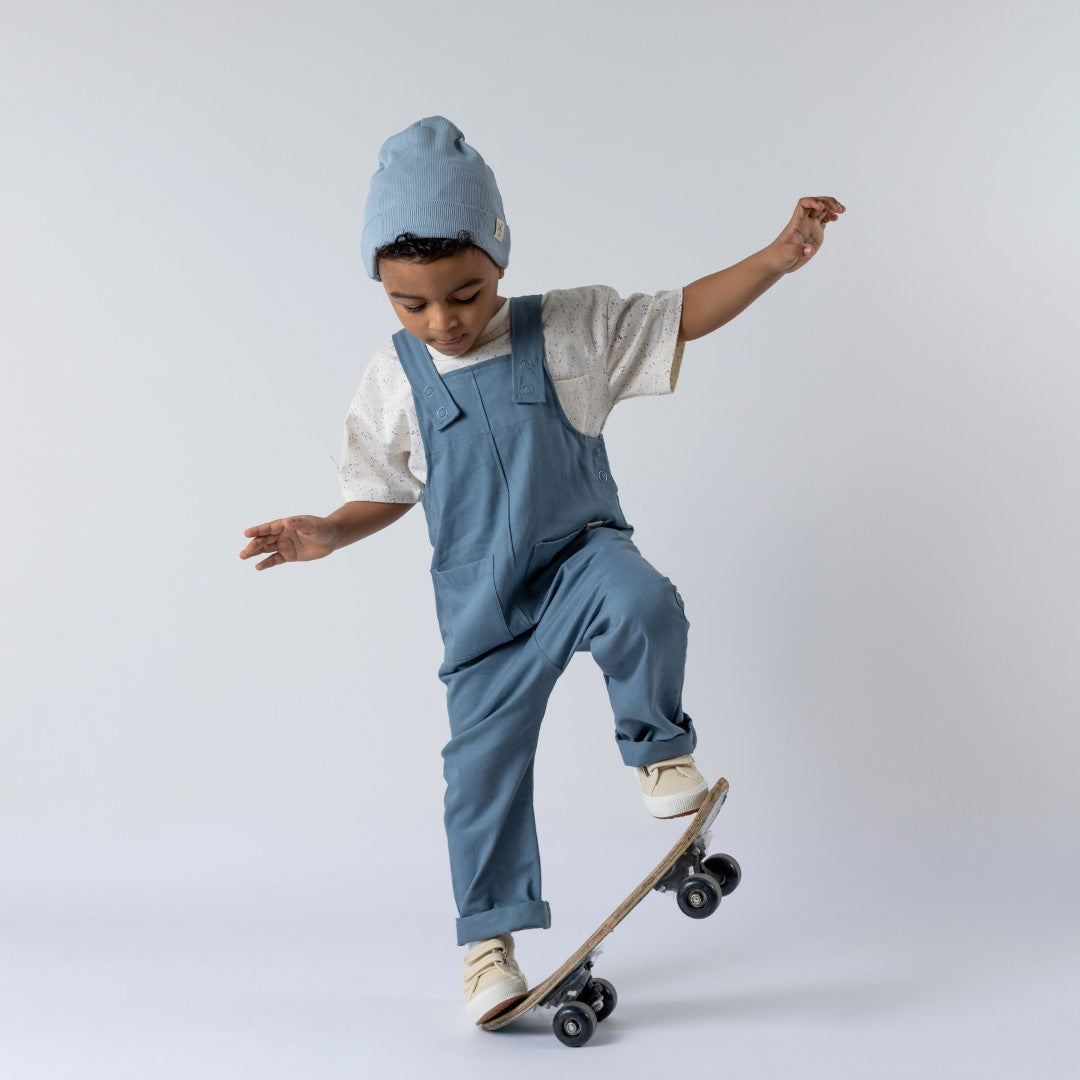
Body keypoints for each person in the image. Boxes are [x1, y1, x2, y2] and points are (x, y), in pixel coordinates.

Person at [240, 116, 844, 1025]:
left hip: (579, 558)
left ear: (502, 259)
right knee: (477, 774)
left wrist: (774, 257)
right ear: (384, 291)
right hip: (483, 610)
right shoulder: (393, 378)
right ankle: (488, 942)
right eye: (413, 304)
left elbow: (680, 312)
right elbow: (384, 488)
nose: (442, 320)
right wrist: (328, 531)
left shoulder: (567, 329)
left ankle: (657, 750)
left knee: (645, 602)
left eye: (465, 293)